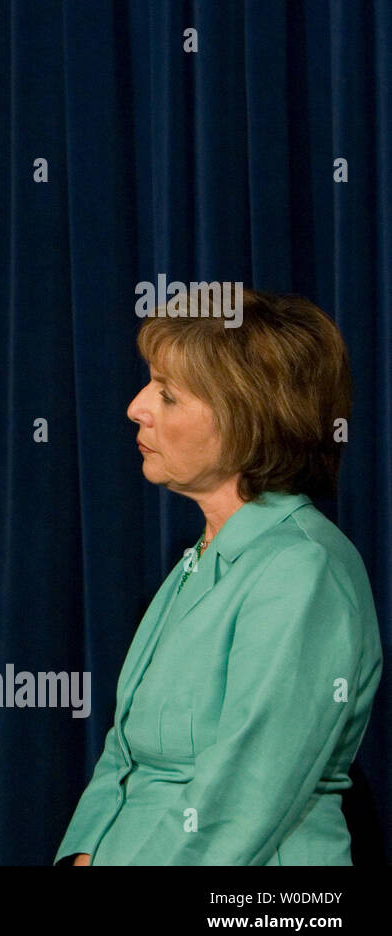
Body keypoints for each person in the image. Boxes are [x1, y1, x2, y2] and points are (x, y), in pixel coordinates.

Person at [57, 290, 382, 865]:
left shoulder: (300, 570)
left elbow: (246, 793)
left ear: (247, 420)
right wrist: (83, 855)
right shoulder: (199, 559)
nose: (136, 407)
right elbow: (124, 756)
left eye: (167, 394)